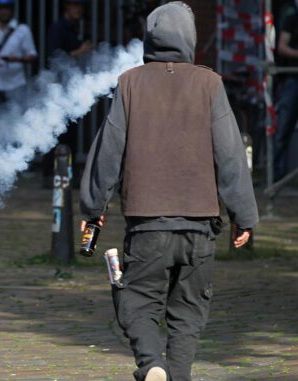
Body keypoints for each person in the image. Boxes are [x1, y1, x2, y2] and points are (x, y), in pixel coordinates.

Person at [79, 3, 258, 381]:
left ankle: (151, 363)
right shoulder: (210, 83)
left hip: (148, 223)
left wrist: (94, 206)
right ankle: (176, 375)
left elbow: (109, 149)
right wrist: (244, 214)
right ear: (190, 39)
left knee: (137, 302)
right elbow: (230, 153)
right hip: (200, 224)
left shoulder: (130, 82)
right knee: (189, 313)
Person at [43, 0, 92, 187]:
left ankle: (66, 175)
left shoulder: (73, 28)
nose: (78, 9)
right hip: (58, 87)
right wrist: (81, 50)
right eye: (74, 5)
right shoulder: (58, 28)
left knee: (69, 132)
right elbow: (56, 56)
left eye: (81, 5)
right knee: (56, 132)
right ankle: (50, 175)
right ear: (66, 7)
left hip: (70, 86)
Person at [0, 0, 37, 109]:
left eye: (6, 8)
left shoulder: (23, 30)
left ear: (12, 9)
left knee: (17, 118)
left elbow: (32, 55)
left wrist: (17, 59)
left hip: (16, 83)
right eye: (0, 8)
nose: (3, 12)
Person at [273, 0, 298, 181]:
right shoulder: (292, 19)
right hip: (293, 78)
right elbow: (282, 46)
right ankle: (277, 176)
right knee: (283, 128)